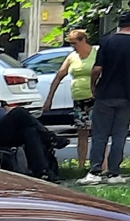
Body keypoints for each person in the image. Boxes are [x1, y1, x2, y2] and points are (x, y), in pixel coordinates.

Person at [86, 10, 130, 182]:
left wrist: (94, 86)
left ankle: (94, 171)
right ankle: (114, 172)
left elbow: (97, 69)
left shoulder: (106, 42)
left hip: (105, 94)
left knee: (100, 134)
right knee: (119, 135)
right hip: (127, 95)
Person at [41, 26, 99, 170]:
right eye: (71, 43)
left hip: (95, 98)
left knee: (99, 133)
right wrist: (49, 99)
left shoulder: (96, 54)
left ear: (83, 40)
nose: (72, 46)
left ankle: (101, 166)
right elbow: (59, 76)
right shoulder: (72, 57)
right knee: (82, 133)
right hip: (79, 99)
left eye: (74, 43)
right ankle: (81, 165)